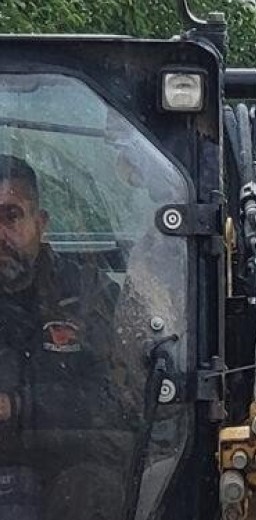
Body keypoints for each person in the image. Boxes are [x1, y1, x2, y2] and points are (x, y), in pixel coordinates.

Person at [0, 154, 133, 519]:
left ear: (40, 223)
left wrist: (18, 406)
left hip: (68, 471)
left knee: (92, 488)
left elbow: (119, 400)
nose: (1, 235)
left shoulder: (88, 296)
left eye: (11, 216)